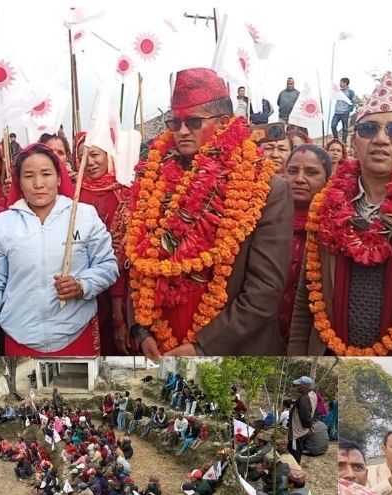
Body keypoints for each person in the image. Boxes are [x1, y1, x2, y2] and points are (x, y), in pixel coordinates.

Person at [128, 68, 291, 358]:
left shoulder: (266, 188)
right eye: (175, 122)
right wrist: (141, 329)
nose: (181, 131)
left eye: (193, 121)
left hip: (231, 352)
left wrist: (203, 347)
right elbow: (140, 262)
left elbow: (264, 291)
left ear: (224, 123)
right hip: (161, 347)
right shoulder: (152, 183)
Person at [287, 73, 392, 356]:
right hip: (329, 353)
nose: (380, 139)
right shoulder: (325, 206)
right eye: (368, 129)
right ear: (355, 140)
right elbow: (304, 301)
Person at [0, 143, 118, 356]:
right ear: (19, 182)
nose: (38, 183)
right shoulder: (4, 223)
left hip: (76, 332)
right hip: (20, 335)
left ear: (59, 178)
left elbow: (108, 266)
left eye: (46, 174)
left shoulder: (83, 216)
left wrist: (82, 285)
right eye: (29, 176)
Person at [78, 142, 132, 355]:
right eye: (82, 157)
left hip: (122, 281)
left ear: (109, 156)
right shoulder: (73, 194)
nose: (89, 162)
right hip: (85, 283)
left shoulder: (125, 191)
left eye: (94, 155)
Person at [280, 144, 332, 340]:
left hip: (310, 333)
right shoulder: (262, 219)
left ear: (327, 180)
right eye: (292, 171)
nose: (299, 179)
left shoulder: (335, 227)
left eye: (311, 172)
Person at [332, 77, 358, 143]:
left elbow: (353, 102)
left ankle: (344, 141)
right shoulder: (338, 91)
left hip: (345, 112)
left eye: (341, 82)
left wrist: (349, 110)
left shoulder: (350, 92)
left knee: (345, 128)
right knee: (333, 126)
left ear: (345, 83)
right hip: (337, 112)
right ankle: (336, 139)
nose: (340, 83)